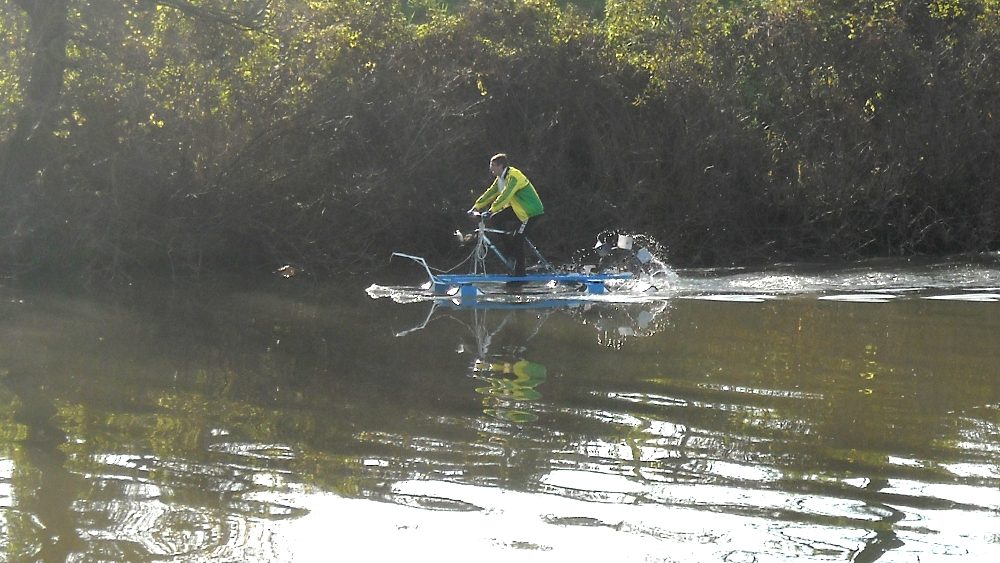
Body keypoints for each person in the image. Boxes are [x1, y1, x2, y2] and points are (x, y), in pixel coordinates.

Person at [467, 153, 544, 277]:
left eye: (493, 166)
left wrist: (491, 210)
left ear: (500, 166)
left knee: (518, 240)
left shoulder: (514, 176)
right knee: (496, 218)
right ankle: (510, 250)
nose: (491, 169)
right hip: (518, 209)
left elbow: (506, 195)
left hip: (530, 212)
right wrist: (476, 207)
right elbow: (490, 193)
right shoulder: (501, 179)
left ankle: (520, 273)